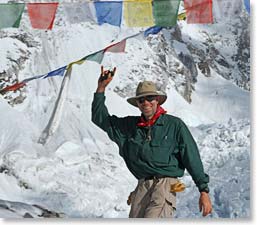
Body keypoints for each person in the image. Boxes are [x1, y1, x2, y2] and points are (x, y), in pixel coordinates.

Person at [91, 66, 212, 218]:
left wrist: (203, 191)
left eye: (150, 98)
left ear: (157, 101)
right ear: (138, 104)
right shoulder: (129, 127)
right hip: (142, 188)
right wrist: (101, 88)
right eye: (141, 100)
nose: (146, 102)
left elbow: (191, 156)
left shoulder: (174, 125)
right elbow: (100, 119)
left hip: (165, 186)